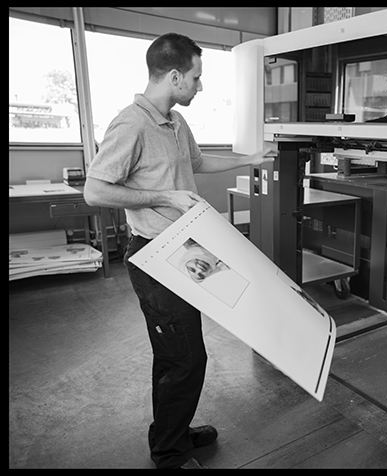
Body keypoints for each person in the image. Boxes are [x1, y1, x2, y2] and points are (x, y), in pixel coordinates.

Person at [83, 32, 275, 469]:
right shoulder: (131, 124)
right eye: (196, 77)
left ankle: (173, 428)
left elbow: (199, 162)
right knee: (185, 356)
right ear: (174, 75)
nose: (199, 86)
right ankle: (170, 453)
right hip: (153, 256)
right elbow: (95, 190)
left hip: (184, 250)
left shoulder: (173, 120)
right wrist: (164, 198)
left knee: (179, 353)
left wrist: (252, 158)